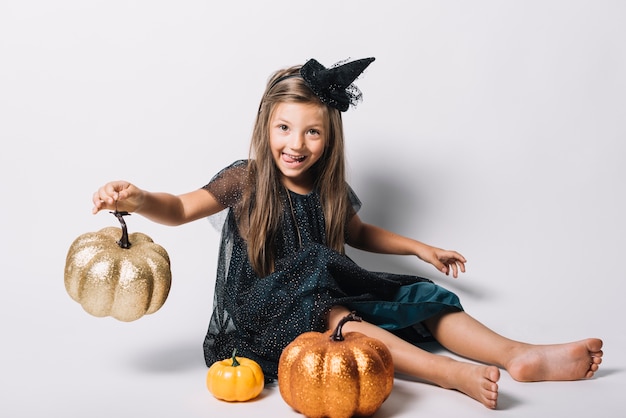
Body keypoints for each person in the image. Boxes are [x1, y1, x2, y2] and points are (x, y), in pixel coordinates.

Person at [92, 57, 603, 409]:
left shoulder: (330, 186)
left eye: (312, 131)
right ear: (265, 128)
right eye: (284, 129)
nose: (296, 144)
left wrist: (420, 249)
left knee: (418, 295)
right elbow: (180, 207)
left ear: (329, 138)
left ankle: (518, 354)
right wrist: (136, 199)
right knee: (326, 293)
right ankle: (450, 375)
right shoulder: (245, 179)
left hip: (324, 293)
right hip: (260, 316)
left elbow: (356, 231)